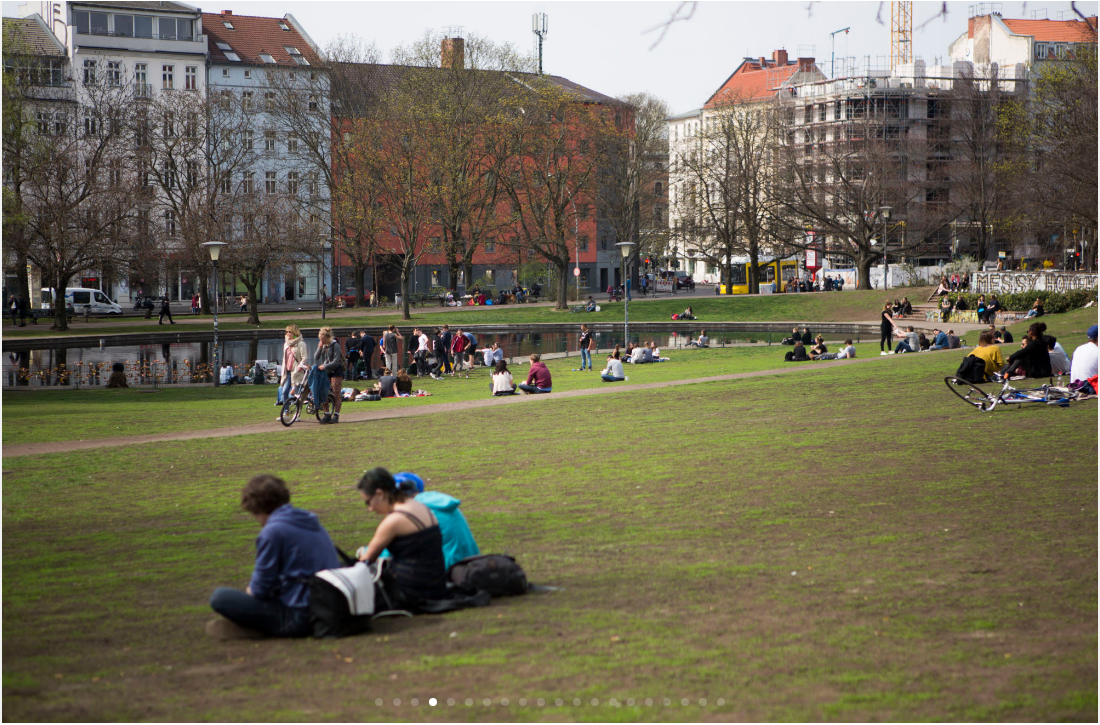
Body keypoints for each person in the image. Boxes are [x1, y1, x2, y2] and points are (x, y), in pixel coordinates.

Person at [207, 474, 340, 639]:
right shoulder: (308, 521)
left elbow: (260, 589)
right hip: (328, 609)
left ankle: (255, 628)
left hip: (300, 616)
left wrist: (250, 595)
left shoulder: (273, 532)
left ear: (255, 508)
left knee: (220, 597)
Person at [355, 468, 447, 608]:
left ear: (379, 494)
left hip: (411, 592)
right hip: (438, 586)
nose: (370, 509)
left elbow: (366, 560)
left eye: (368, 502)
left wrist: (361, 554)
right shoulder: (419, 506)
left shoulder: (394, 520)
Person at [388, 472, 479, 571]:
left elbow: (389, 550)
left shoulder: (415, 511)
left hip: (449, 571)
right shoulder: (437, 503)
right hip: (472, 565)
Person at [313, 326, 344, 424]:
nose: (321, 341)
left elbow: (335, 362)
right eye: (320, 339)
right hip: (326, 371)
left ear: (327, 337)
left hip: (336, 370)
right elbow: (316, 357)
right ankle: (327, 413)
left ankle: (336, 415)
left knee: (336, 393)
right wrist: (319, 347)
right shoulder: (324, 345)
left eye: (322, 339)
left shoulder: (335, 345)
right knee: (323, 392)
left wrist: (325, 366)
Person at [276, 325, 308, 412]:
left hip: (297, 372)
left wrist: (300, 366)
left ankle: (297, 413)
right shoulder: (286, 343)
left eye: (289, 332)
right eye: (286, 332)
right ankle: (285, 412)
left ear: (294, 333)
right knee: (284, 392)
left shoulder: (301, 343)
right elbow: (284, 357)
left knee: (296, 394)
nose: (287, 334)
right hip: (288, 371)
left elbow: (304, 357)